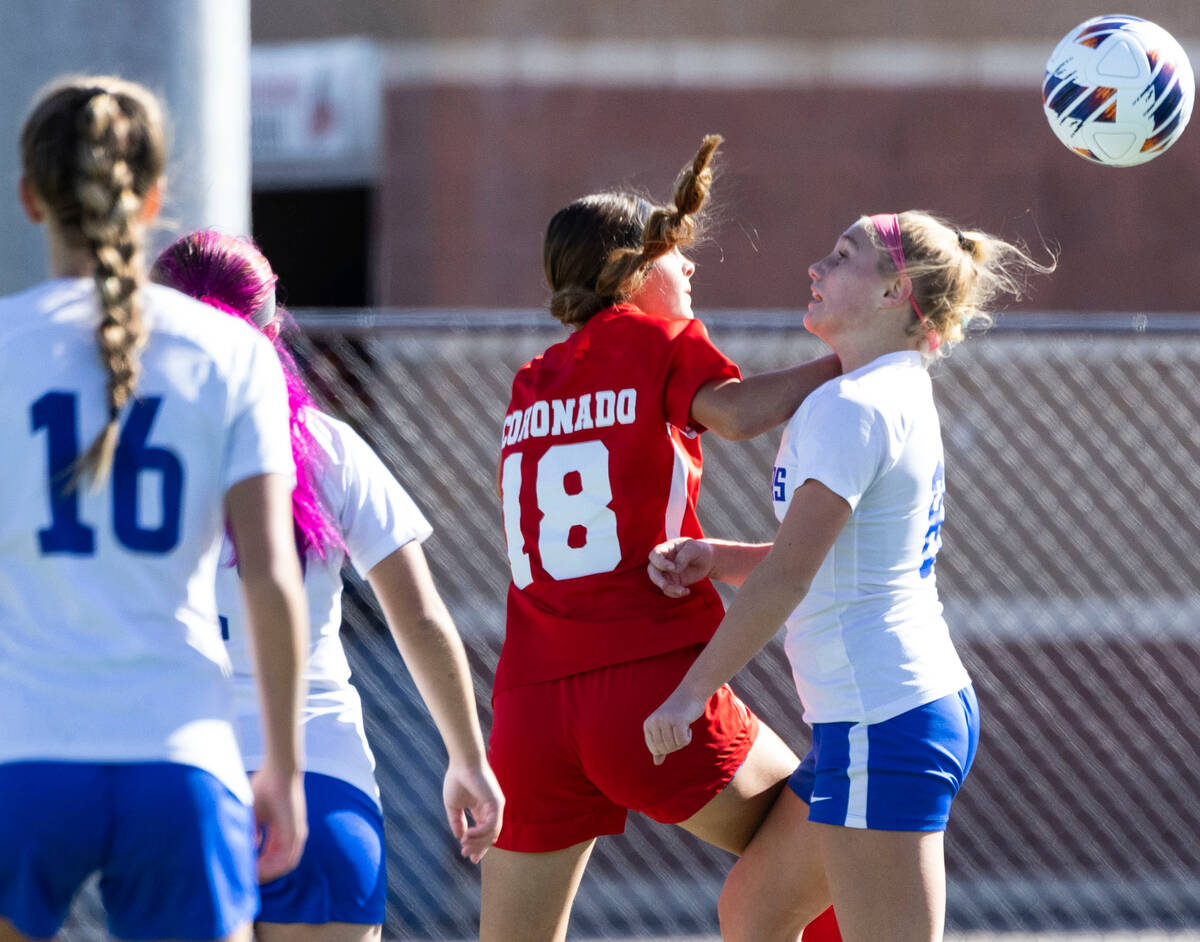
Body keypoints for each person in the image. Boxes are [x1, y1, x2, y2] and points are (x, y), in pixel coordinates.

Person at [643, 211, 1054, 941]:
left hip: (886, 720)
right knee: (755, 911)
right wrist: (719, 558)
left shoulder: (855, 405)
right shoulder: (886, 387)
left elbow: (791, 580)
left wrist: (691, 693)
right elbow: (838, 561)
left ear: (897, 290)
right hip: (881, 719)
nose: (816, 268)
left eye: (842, 256)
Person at [482, 134, 842, 942]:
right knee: (826, 874)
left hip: (529, 703)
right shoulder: (656, 341)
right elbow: (743, 414)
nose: (690, 271)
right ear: (631, 270)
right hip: (644, 686)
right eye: (676, 257)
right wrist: (849, 361)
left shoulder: (532, 378)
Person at [0, 76, 309, 942]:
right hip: (180, 759)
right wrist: (281, 765)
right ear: (156, 197)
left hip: (21, 758)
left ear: (29, 197)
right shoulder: (231, 354)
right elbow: (272, 579)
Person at [152, 230, 504, 942]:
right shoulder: (327, 447)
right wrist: (468, 758)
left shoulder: (130, 464)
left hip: (181, 792)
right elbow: (423, 618)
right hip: (322, 792)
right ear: (273, 327)